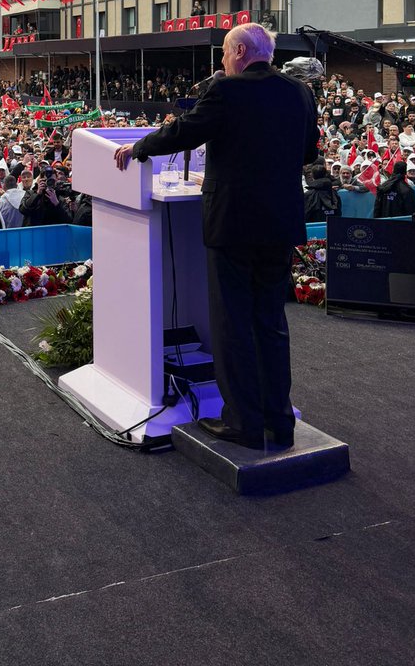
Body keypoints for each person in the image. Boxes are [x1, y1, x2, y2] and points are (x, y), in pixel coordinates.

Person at [114, 22, 318, 451]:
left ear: (240, 51)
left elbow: (184, 131)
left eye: (225, 54)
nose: (222, 63)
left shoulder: (227, 91)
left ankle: (242, 421)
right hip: (279, 225)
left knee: (233, 324)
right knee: (271, 324)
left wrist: (139, 148)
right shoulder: (300, 92)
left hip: (234, 225)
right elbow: (308, 153)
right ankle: (279, 421)